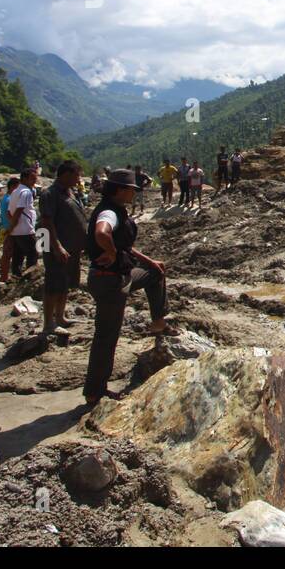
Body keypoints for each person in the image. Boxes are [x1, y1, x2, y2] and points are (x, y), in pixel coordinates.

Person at [82, 169, 171, 408]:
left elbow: (124, 245)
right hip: (109, 280)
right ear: (120, 190)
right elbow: (102, 233)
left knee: (155, 274)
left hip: (119, 276)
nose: (134, 194)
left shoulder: (114, 208)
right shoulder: (110, 212)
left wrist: (150, 262)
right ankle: (94, 392)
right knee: (106, 336)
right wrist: (110, 252)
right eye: (132, 190)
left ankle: (158, 322)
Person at [38, 160, 86, 335]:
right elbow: (47, 222)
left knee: (65, 283)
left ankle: (60, 316)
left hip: (72, 247)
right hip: (57, 248)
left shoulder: (70, 192)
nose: (79, 179)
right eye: (77, 175)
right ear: (67, 174)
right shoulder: (49, 194)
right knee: (53, 284)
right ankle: (48, 323)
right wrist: (57, 246)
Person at [6, 167, 39, 276]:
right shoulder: (26, 192)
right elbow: (19, 210)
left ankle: (15, 276)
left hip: (17, 229)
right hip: (25, 228)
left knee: (18, 255)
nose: (35, 181)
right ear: (24, 179)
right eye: (32, 178)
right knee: (32, 253)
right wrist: (13, 224)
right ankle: (30, 277)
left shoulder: (15, 191)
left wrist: (12, 226)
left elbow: (9, 211)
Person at [0, 176, 19, 280]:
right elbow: (11, 215)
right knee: (8, 253)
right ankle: (4, 276)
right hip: (9, 229)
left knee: (6, 253)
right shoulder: (10, 199)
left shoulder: (5, 198)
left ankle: (4, 275)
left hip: (4, 227)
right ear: (13, 187)